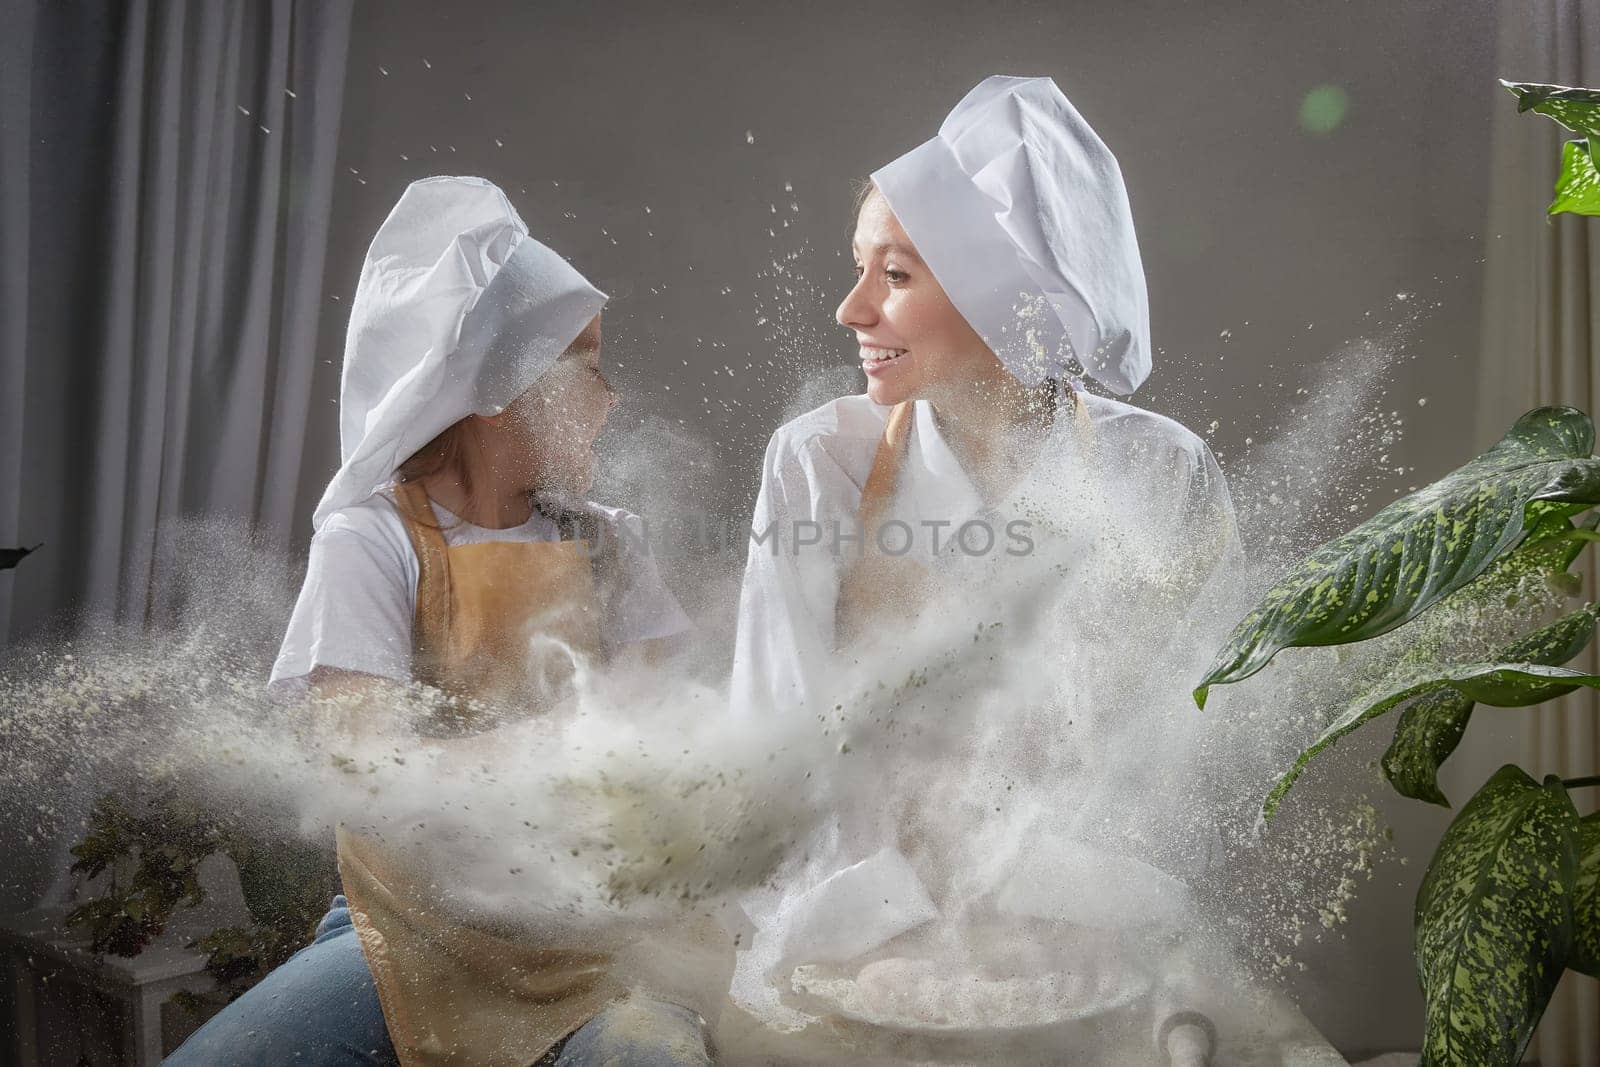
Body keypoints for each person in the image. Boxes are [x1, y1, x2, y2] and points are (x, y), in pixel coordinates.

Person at [168, 176, 722, 1066]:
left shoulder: (613, 544)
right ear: (499, 385)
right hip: (405, 932)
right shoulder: (371, 541)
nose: (610, 396)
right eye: (585, 362)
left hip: (604, 940)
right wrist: (570, 751)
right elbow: (369, 765)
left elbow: (663, 736)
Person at [726, 75, 1241, 1010]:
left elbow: (1192, 758)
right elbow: (776, 759)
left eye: (895, 275)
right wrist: (892, 930)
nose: (851, 309)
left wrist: (1055, 906)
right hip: (854, 950)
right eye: (859, 267)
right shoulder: (817, 466)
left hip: (1095, 953)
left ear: (1007, 302)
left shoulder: (1165, 476)